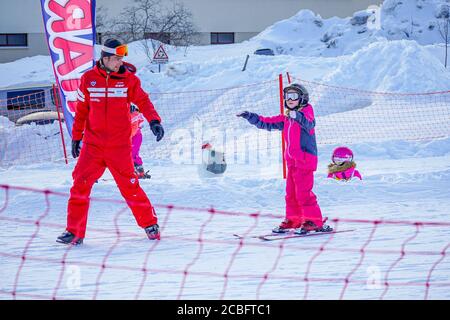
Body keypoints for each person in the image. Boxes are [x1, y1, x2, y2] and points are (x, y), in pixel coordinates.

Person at [56, 39, 165, 245]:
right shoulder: (88, 79)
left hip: (119, 146)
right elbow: (81, 111)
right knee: (80, 184)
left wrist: (154, 121)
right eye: (116, 59)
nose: (120, 62)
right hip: (93, 146)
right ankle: (74, 232)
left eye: (121, 58)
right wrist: (76, 137)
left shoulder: (128, 80)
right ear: (105, 59)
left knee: (129, 186)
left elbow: (143, 101)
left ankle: (150, 224)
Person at [237, 83, 332, 235]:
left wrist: (297, 116)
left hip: (305, 160)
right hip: (293, 162)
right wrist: (250, 116)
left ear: (302, 98)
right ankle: (294, 220)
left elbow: (309, 123)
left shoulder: (307, 112)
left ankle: (313, 221)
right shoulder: (287, 118)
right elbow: (266, 122)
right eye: (287, 97)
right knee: (291, 193)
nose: (290, 100)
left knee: (303, 193)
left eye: (294, 96)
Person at [130, 104, 151, 179]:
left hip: (136, 136)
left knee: (133, 154)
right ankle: (131, 171)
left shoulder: (136, 112)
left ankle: (140, 172)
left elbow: (141, 123)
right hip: (125, 137)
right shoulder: (118, 113)